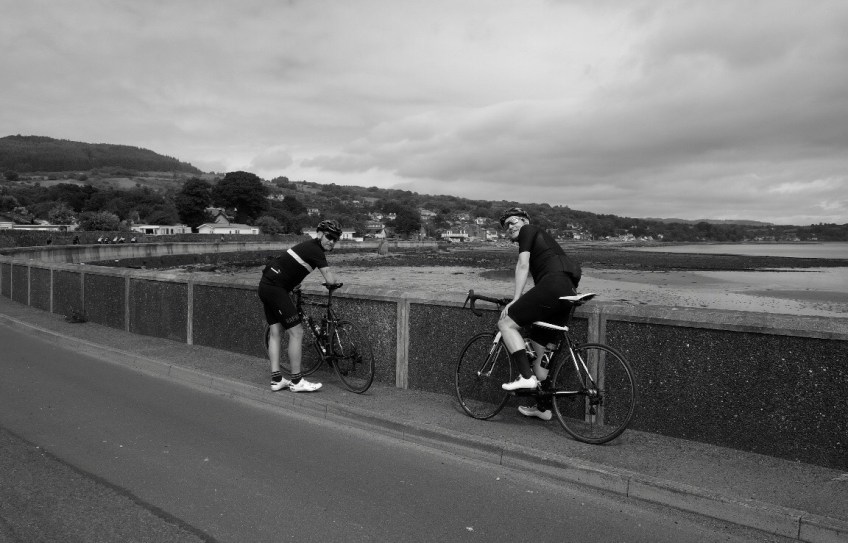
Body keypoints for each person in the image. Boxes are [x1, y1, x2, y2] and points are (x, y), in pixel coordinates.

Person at [497, 207, 582, 421]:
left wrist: (516, 299)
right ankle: (543, 408)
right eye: (506, 226)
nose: (510, 227)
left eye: (513, 221)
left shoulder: (529, 230)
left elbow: (522, 264)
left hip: (553, 286)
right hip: (567, 292)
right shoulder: (542, 240)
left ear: (525, 221)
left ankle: (526, 377)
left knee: (506, 324)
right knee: (539, 354)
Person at [257, 220, 343, 393]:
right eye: (329, 237)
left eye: (335, 239)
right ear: (320, 234)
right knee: (297, 332)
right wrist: (335, 282)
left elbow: (291, 266)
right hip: (275, 288)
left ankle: (276, 380)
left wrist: (292, 282)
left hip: (266, 285)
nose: (332, 241)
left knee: (276, 332)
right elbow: (330, 279)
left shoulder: (309, 246)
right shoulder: (316, 250)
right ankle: (296, 381)